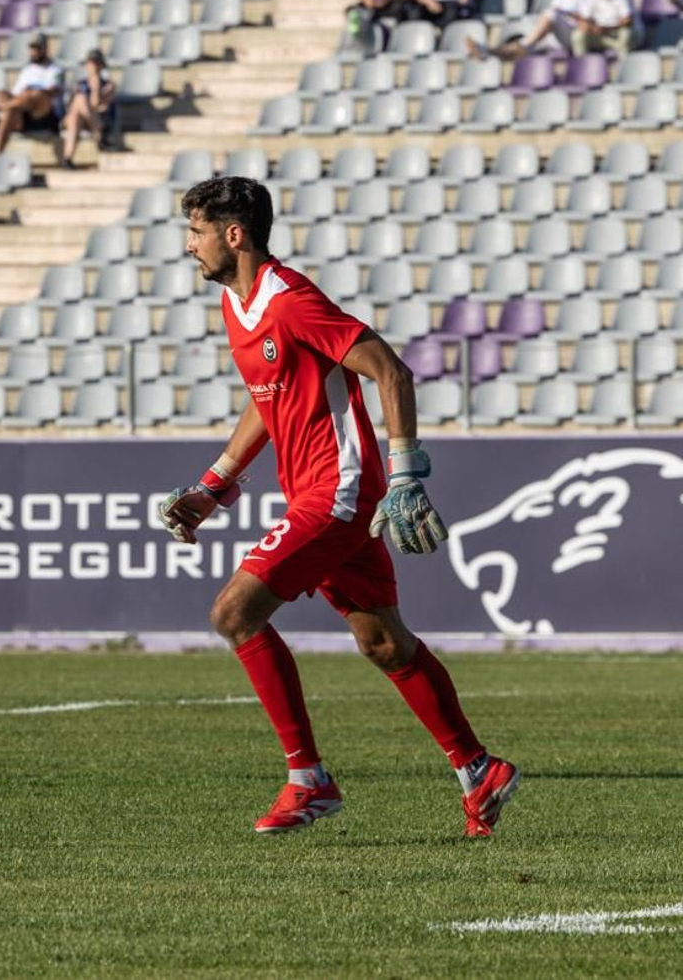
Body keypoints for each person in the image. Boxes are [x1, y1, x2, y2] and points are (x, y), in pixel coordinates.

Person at [160, 176, 518, 837]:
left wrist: (406, 472)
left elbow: (390, 369)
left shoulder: (291, 300)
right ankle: (479, 769)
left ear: (233, 235)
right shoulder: (237, 305)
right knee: (383, 641)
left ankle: (308, 780)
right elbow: (267, 398)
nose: (189, 245)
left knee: (234, 613)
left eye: (197, 231)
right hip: (315, 491)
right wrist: (214, 484)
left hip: (340, 489)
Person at [467, 0, 587, 59]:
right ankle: (487, 52)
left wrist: (568, 14)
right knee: (513, 48)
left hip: (572, 34)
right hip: (553, 36)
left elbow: (586, 22)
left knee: (549, 15)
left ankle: (525, 44)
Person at [0, 33, 63, 155]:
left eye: (37, 48)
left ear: (45, 49)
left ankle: (3, 108)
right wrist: (11, 97)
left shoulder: (55, 69)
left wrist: (28, 94)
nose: (34, 52)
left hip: (44, 114)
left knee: (35, 94)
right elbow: (16, 93)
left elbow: (51, 91)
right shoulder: (27, 70)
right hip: (23, 111)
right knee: (3, 96)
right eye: (32, 48)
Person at [59, 48, 115, 169]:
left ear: (101, 65)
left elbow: (97, 106)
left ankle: (67, 157)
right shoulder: (79, 83)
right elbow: (71, 107)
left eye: (96, 63)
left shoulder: (108, 85)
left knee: (77, 109)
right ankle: (98, 136)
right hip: (86, 120)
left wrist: (95, 87)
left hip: (98, 118)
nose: (93, 66)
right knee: (75, 112)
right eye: (90, 63)